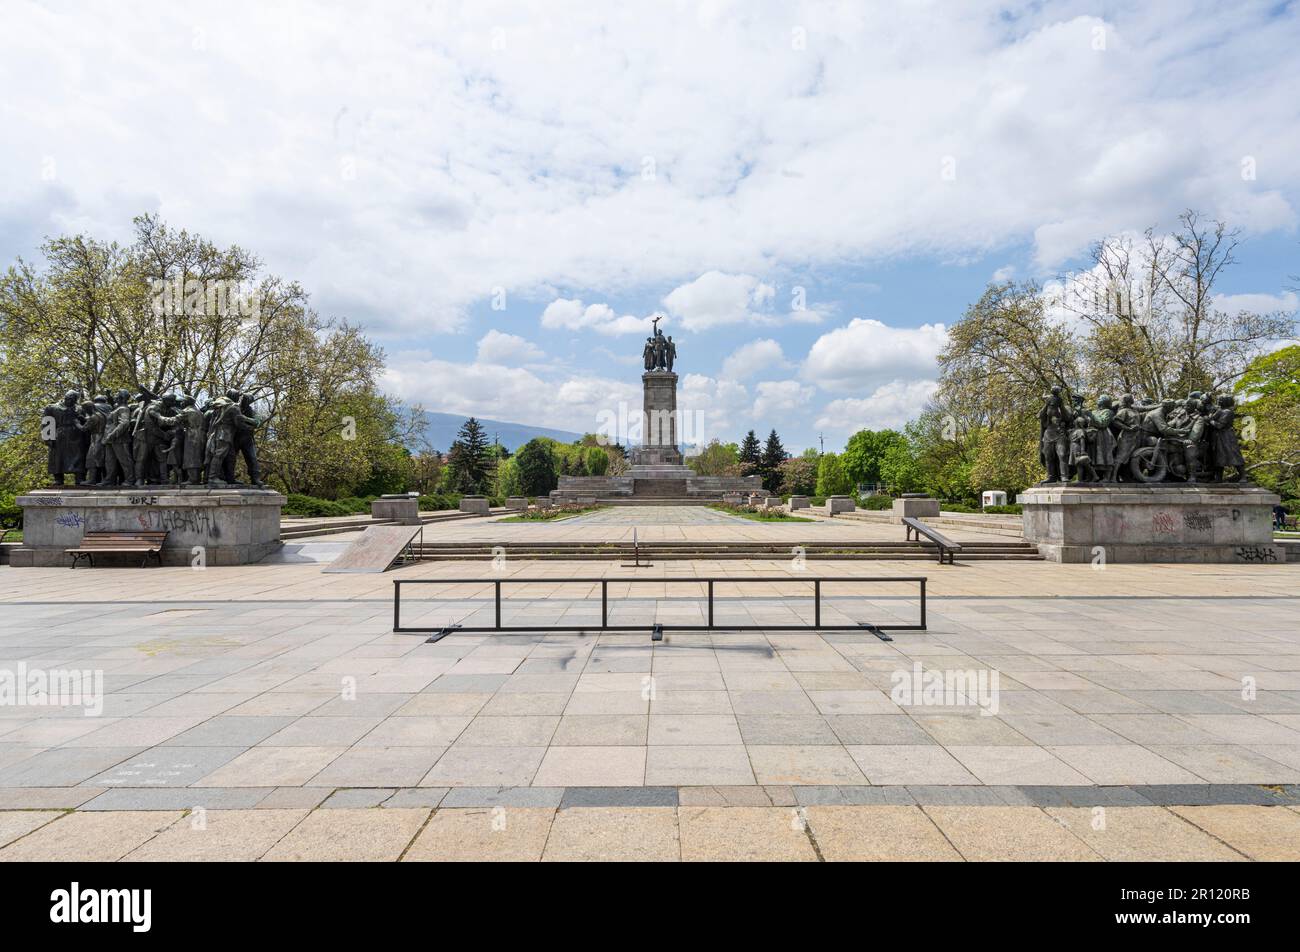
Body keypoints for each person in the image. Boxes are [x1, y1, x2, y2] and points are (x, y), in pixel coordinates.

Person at [41, 390, 86, 486]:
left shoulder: (79, 408)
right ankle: (58, 478)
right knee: (57, 457)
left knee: (79, 456)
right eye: (70, 399)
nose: (72, 402)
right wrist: (48, 438)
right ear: (66, 398)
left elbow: (85, 422)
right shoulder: (52, 408)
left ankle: (80, 478)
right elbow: (46, 422)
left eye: (74, 400)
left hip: (76, 435)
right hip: (60, 435)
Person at [99, 389, 135, 486]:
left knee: (125, 460)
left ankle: (130, 480)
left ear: (121, 397)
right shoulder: (116, 408)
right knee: (109, 461)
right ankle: (109, 479)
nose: (115, 396)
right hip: (110, 440)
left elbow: (124, 423)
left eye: (117, 395)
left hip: (119, 439)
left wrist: (112, 435)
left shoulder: (123, 409)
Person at [1208, 394, 1245, 483]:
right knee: (1219, 457)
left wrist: (1210, 420)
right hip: (1218, 437)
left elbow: (1220, 425)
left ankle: (1243, 476)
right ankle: (1218, 478)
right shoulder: (1220, 410)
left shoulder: (1227, 412)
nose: (1218, 402)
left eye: (1220, 400)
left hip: (1227, 437)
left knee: (1234, 456)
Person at [1089, 395, 1118, 482]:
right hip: (1093, 436)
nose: (1098, 399)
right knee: (1094, 456)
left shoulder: (1108, 412)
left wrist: (1090, 415)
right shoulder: (1094, 411)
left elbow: (1103, 423)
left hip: (1103, 435)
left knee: (1105, 455)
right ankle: (1093, 476)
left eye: (1100, 398)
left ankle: (1107, 477)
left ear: (1105, 402)